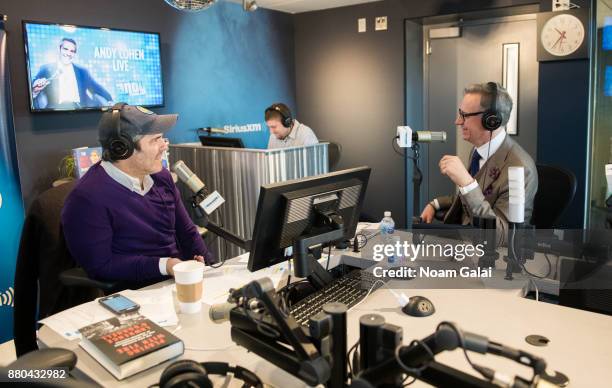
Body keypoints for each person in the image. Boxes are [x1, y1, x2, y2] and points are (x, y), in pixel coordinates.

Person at [62, 103, 215, 283]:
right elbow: (101, 266)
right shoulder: (87, 198)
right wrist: (165, 265)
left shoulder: (161, 177)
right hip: (137, 295)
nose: (164, 145)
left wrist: (210, 272)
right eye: (155, 139)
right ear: (123, 148)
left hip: (177, 282)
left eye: (162, 138)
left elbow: (187, 233)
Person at [419, 82, 538, 245]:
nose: (457, 121)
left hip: (489, 255)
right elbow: (477, 196)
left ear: (491, 120)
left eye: (464, 115)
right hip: (464, 244)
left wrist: (466, 182)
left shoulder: (520, 168)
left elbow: (502, 236)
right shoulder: (478, 150)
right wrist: (436, 204)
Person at [31, 38, 113, 110]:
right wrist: (34, 90)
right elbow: (33, 87)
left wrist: (110, 100)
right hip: (55, 110)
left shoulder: (82, 71)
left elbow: (96, 87)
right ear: (59, 49)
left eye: (72, 51)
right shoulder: (46, 69)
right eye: (65, 49)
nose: (68, 53)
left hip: (80, 109)